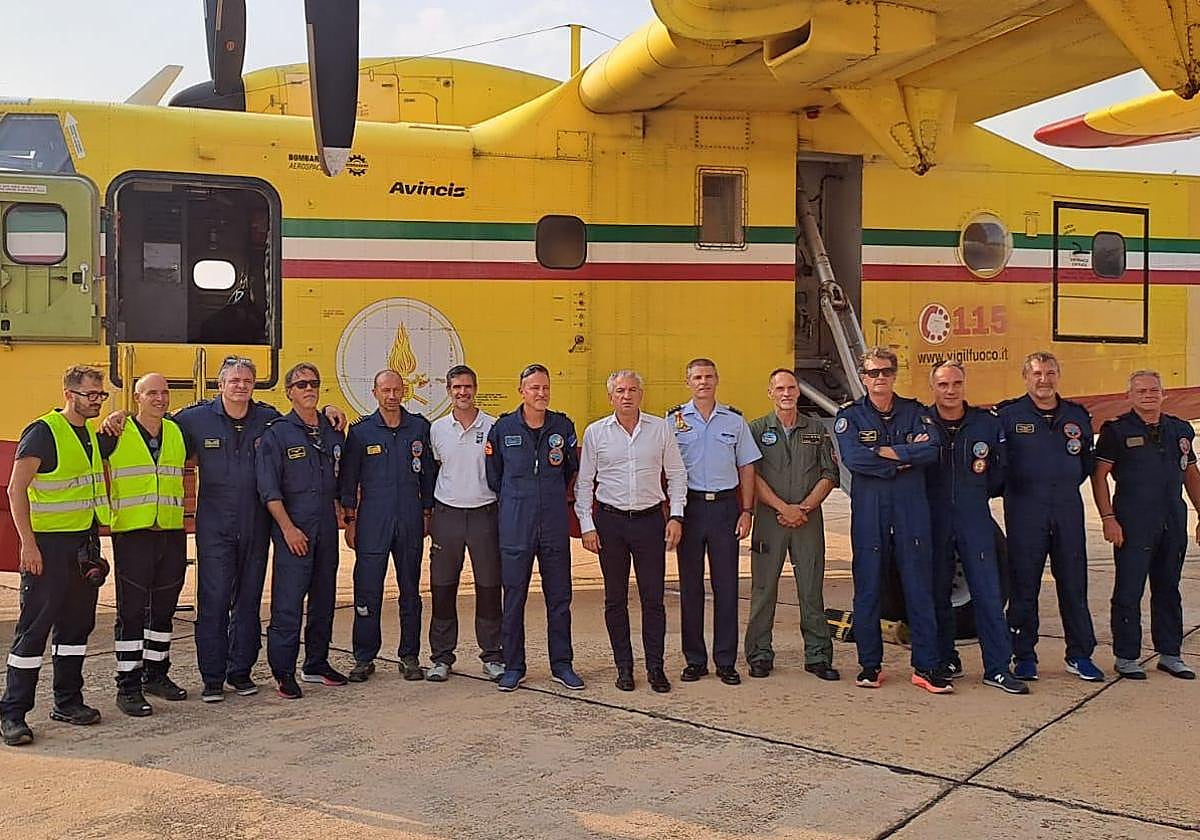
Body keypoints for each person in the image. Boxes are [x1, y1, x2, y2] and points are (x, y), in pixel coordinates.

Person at [133, 356, 343, 702]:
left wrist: (330, 409)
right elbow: (153, 424)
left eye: (247, 381)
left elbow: (302, 416)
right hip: (215, 526)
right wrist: (119, 417)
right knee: (213, 601)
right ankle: (213, 677)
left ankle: (240, 671)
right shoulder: (195, 419)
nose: (241, 386)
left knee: (248, 601)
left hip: (256, 524)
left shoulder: (268, 419)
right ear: (220, 385)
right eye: (234, 381)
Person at [2, 366, 111, 746]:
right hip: (48, 548)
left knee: (76, 628)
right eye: (90, 394)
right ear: (69, 394)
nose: (97, 401)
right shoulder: (43, 432)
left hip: (83, 545)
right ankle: (13, 713)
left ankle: (68, 701)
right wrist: (27, 545)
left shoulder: (89, 435)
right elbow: (15, 490)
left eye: (100, 395)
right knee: (33, 631)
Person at [834, 347, 950, 694]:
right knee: (868, 587)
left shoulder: (914, 412)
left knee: (919, 584)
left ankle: (926, 666)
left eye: (885, 372)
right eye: (873, 373)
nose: (880, 378)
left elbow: (932, 450)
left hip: (910, 505)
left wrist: (884, 453)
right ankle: (870, 666)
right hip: (870, 508)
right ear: (863, 377)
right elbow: (854, 458)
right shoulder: (851, 416)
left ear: (894, 375)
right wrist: (904, 458)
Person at [575, 369, 686, 693]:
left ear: (641, 394)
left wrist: (676, 516)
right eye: (620, 391)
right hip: (611, 523)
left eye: (632, 390)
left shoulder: (660, 429)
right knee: (615, 599)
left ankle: (655, 667)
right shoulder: (596, 432)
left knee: (653, 599)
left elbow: (677, 474)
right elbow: (585, 483)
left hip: (650, 522)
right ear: (611, 397)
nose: (627, 396)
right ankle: (624, 667)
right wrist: (587, 525)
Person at [998, 352, 1103, 682]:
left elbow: (1084, 465)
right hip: (1025, 510)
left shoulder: (1076, 415)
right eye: (1037, 374)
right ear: (1025, 378)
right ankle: (1023, 655)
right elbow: (999, 466)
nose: (1044, 380)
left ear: (1058, 375)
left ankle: (1079, 655)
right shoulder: (1008, 415)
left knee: (1074, 584)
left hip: (1067, 509)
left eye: (1050, 373)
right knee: (1024, 585)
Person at [925, 361, 1027, 695]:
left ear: (964, 385)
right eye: (943, 385)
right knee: (938, 592)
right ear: (933, 387)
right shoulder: (921, 422)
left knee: (988, 593)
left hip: (974, 517)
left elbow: (999, 471)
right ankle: (945, 659)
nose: (950, 391)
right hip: (935, 518)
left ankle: (997, 668)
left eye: (956, 384)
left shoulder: (985, 423)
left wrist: (973, 494)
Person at [1092, 369, 1200, 680]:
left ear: (1163, 394)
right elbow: (1099, 476)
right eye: (1141, 391)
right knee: (1129, 590)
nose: (1148, 395)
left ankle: (1170, 654)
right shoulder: (1116, 431)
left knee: (1168, 588)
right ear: (1129, 396)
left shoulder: (1179, 429)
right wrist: (1108, 518)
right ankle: (1127, 656)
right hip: (1133, 522)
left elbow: (1191, 474)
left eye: (1154, 390)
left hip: (1172, 520)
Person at [485, 364, 581, 692]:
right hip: (516, 524)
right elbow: (494, 476)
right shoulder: (503, 428)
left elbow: (569, 470)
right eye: (534, 388)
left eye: (545, 387)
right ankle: (514, 666)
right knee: (514, 598)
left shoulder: (562, 426)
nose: (541, 393)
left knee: (560, 598)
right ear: (521, 391)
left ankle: (562, 665)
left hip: (553, 523)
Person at [255, 362, 348, 699]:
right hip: (294, 530)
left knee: (324, 600)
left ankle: (316, 664)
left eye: (314, 383)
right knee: (288, 604)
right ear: (289, 392)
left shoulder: (332, 429)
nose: (309, 389)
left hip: (325, 529)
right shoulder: (277, 433)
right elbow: (269, 490)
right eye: (302, 384)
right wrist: (288, 529)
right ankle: (284, 672)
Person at [103, 373, 191, 716]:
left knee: (164, 609)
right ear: (137, 397)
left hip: (170, 532)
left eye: (164, 392)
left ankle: (156, 674)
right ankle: (127, 685)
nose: (160, 398)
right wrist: (116, 415)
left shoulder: (177, 431)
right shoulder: (117, 432)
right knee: (131, 612)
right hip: (133, 533)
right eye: (151, 392)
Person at [669, 358, 760, 686]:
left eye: (708, 376)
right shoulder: (673, 421)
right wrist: (673, 515)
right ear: (688, 382)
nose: (703, 382)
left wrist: (746, 510)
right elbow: (665, 468)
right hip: (690, 508)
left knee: (726, 587)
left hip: (724, 509)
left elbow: (747, 467)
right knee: (690, 587)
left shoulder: (734, 421)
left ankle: (725, 661)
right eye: (697, 377)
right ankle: (694, 660)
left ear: (717, 380)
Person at [339, 369, 435, 683]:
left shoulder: (419, 427)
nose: (392, 396)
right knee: (367, 590)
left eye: (396, 390)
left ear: (403, 391)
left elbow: (428, 476)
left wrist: (426, 513)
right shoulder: (361, 432)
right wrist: (350, 520)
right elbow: (349, 480)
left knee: (410, 591)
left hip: (409, 519)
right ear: (375, 393)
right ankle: (364, 657)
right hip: (372, 521)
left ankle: (409, 656)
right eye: (385, 391)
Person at [744, 368, 839, 681]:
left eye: (791, 388)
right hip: (770, 520)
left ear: (798, 392)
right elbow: (751, 475)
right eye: (780, 388)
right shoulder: (756, 429)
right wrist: (782, 507)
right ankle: (759, 654)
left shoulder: (815, 429)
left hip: (807, 520)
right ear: (770, 392)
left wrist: (804, 507)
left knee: (811, 588)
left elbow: (829, 473)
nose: (786, 394)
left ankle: (818, 656)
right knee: (763, 589)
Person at [427, 365, 505, 682]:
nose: (463, 392)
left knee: (489, 588)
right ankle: (441, 657)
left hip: (485, 515)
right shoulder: (436, 429)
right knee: (443, 588)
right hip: (447, 516)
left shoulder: (494, 427)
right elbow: (432, 469)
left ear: (475, 389)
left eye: (468, 387)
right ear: (448, 391)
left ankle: (493, 656)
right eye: (457, 387)